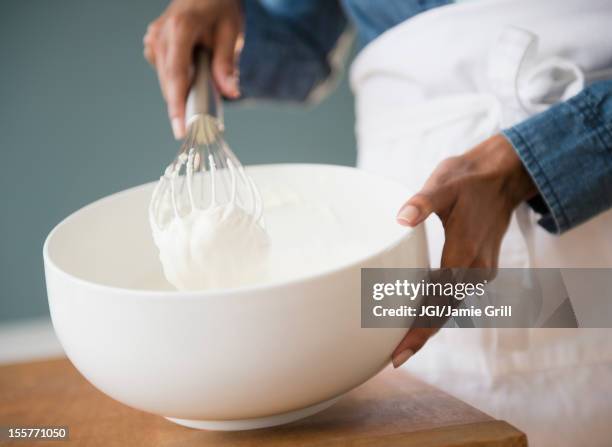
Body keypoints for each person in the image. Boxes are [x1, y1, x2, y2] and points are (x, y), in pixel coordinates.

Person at [143, 1, 612, 445]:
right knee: (433, 415)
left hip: (589, 194)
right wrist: (234, 17)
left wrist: (531, 162)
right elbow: (300, 44)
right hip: (407, 214)